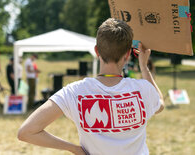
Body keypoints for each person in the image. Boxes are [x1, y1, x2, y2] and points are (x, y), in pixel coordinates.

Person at [18, 18, 164, 155]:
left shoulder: (74, 92)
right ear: (127, 55)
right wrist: (144, 67)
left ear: (96, 51)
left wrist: (74, 149)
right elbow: (160, 105)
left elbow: (26, 132)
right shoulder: (143, 89)